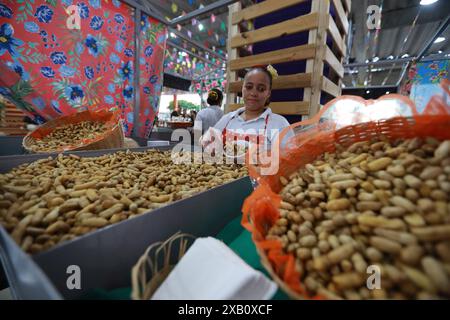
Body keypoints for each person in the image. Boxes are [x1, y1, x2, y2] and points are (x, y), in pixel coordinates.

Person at [202, 65, 292, 151]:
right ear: (242, 89)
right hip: (224, 167)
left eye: (261, 89)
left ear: (268, 93)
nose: (253, 93)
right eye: (249, 87)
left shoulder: (279, 124)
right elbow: (206, 142)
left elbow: (290, 157)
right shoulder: (228, 119)